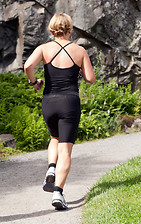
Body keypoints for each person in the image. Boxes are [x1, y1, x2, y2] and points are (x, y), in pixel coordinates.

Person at [24, 12, 96, 210]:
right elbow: (90, 78)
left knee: (54, 138)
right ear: (70, 29)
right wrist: (80, 68)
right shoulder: (79, 50)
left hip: (49, 102)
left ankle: (51, 168)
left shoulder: (43, 48)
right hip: (69, 103)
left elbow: (28, 65)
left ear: (52, 29)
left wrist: (34, 82)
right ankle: (58, 193)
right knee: (65, 149)